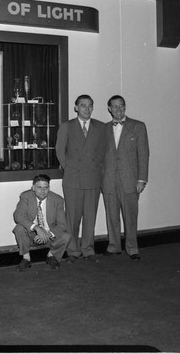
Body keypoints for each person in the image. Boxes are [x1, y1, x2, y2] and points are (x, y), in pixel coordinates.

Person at [55, 94, 106, 263]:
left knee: (90, 217)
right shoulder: (67, 126)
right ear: (76, 107)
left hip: (93, 178)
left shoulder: (100, 127)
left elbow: (103, 152)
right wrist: (69, 168)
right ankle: (73, 251)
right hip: (73, 179)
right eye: (83, 105)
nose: (87, 109)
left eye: (90, 105)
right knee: (73, 218)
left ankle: (88, 250)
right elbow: (60, 150)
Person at [102, 95, 149, 261]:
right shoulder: (104, 128)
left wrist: (142, 179)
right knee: (111, 216)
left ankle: (132, 248)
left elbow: (143, 154)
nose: (118, 109)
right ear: (109, 109)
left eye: (121, 106)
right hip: (108, 180)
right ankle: (114, 246)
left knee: (130, 216)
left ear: (125, 107)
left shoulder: (138, 126)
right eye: (114, 106)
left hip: (130, 180)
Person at [13, 174, 71, 271]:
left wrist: (47, 234)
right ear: (33, 188)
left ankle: (51, 255)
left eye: (46, 188)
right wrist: (37, 228)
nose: (43, 191)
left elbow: (62, 224)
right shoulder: (25, 196)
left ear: (49, 188)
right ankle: (26, 259)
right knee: (19, 228)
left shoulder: (58, 200)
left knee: (66, 235)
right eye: (39, 187)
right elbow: (18, 216)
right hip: (31, 234)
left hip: (50, 235)